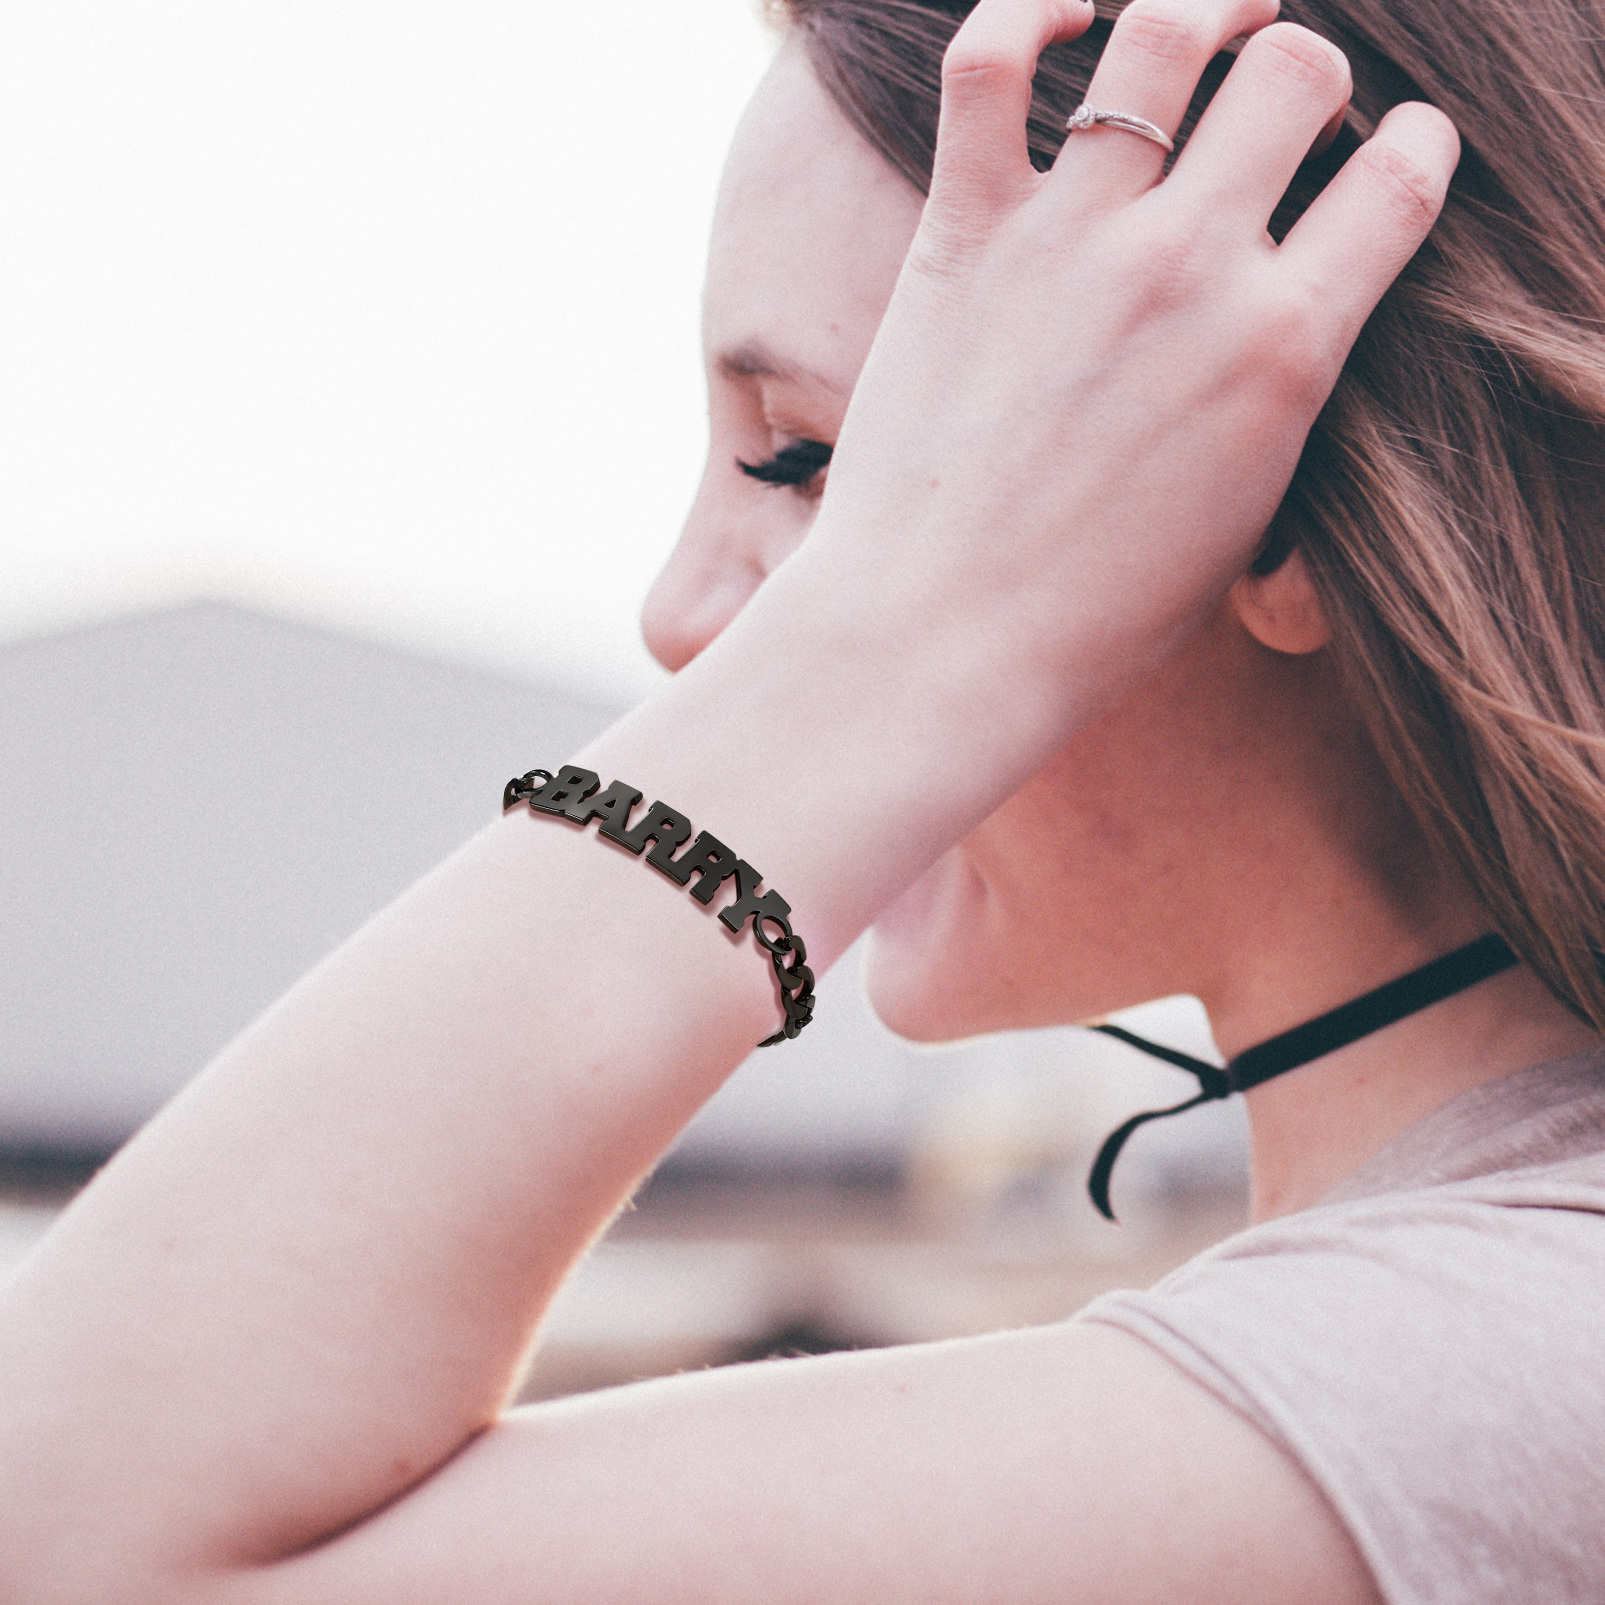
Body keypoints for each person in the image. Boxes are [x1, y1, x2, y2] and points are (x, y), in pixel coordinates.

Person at [3, 0, 1602, 1598]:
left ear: (1285, 497)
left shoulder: (1499, 1362)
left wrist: (910, 627)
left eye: (811, 455)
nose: (683, 607)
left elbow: (71, 1543)